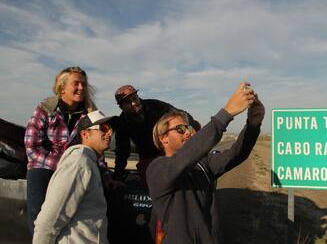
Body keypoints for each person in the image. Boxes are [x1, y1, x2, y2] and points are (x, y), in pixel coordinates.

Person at [147, 82, 265, 244]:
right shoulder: (157, 169)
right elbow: (184, 158)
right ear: (163, 138)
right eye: (180, 129)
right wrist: (226, 113)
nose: (188, 132)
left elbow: (237, 154)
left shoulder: (203, 164)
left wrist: (253, 124)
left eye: (187, 127)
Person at [24, 66, 96, 234]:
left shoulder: (89, 114)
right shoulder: (45, 109)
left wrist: (106, 176)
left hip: (74, 169)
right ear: (62, 88)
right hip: (46, 168)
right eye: (76, 83)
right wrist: (62, 165)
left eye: (84, 84)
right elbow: (32, 147)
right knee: (39, 217)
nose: (81, 88)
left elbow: (95, 148)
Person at [32, 110, 117, 244]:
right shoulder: (78, 163)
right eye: (103, 128)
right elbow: (49, 219)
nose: (110, 133)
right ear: (85, 134)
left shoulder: (89, 162)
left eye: (111, 129)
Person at [113, 85, 200, 182]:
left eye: (134, 98)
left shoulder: (155, 105)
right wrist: (117, 178)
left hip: (169, 151)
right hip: (148, 158)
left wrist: (191, 128)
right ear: (121, 107)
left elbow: (181, 114)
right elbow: (122, 151)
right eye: (127, 102)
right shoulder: (122, 123)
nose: (133, 103)